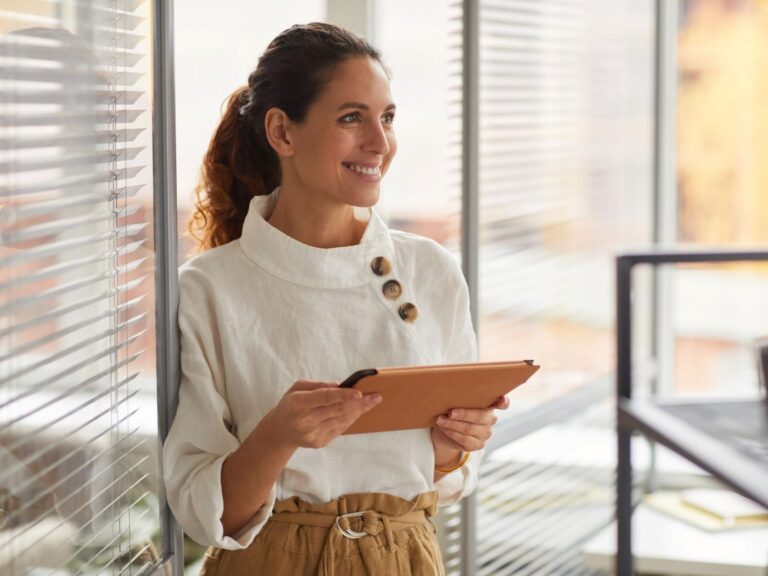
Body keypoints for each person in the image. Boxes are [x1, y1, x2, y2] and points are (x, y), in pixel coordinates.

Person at [163, 22, 510, 576]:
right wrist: (279, 436)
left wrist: (454, 445)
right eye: (352, 118)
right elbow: (207, 514)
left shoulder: (432, 271)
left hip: (406, 557)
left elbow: (445, 476)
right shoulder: (208, 289)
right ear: (282, 132)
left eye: (387, 117)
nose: (380, 142)